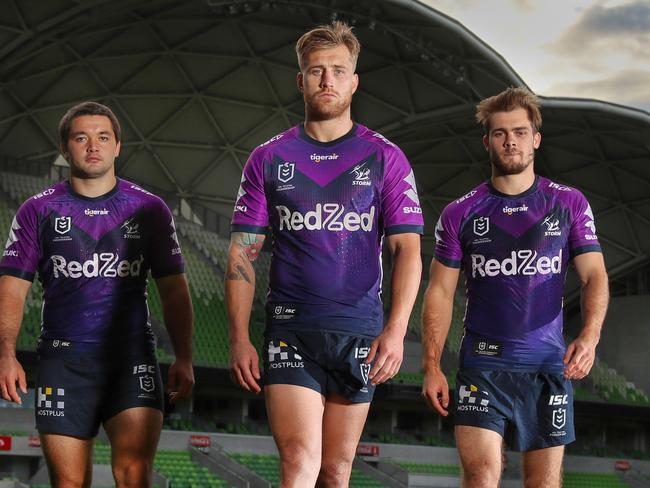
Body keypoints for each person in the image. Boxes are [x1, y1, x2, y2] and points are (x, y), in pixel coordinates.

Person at [226, 22, 423, 487]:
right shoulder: (269, 157)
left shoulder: (385, 157)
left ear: (355, 81)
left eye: (338, 70)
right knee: (299, 461)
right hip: (292, 329)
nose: (327, 80)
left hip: (358, 331)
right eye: (316, 70)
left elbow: (407, 250)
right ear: (301, 81)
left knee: (335, 472)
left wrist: (396, 331)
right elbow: (241, 253)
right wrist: (238, 336)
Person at [421, 87, 609, 488]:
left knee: (542, 482)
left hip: (545, 368)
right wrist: (432, 364)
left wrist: (590, 337)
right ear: (487, 140)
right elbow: (439, 291)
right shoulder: (461, 212)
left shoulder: (568, 203)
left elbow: (594, 275)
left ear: (536, 139)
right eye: (501, 133)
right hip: (483, 367)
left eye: (520, 132)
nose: (511, 141)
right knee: (481, 475)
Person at [0, 101, 194, 488]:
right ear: (65, 147)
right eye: (81, 138)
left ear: (118, 146)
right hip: (63, 363)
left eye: (103, 137)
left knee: (134, 476)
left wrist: (184, 357)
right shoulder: (37, 211)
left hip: (132, 360)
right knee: (69, 484)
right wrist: (5, 353)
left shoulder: (150, 209)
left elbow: (174, 290)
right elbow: (11, 289)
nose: (93, 146)